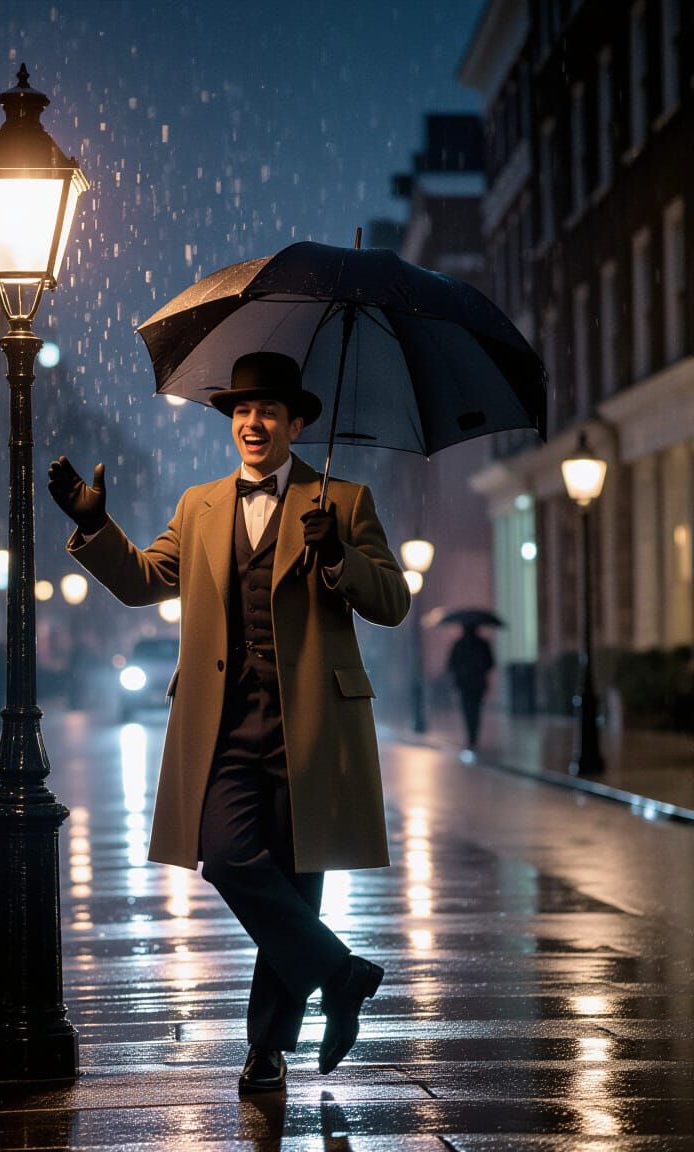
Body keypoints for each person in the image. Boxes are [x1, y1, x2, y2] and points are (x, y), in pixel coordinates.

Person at [49, 352, 411, 1093]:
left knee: (293, 883)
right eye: (243, 411)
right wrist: (95, 525)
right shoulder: (200, 505)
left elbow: (392, 599)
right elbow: (145, 580)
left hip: (311, 725)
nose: (254, 422)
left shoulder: (341, 499)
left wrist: (339, 556)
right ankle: (341, 975)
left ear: (296, 423)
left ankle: (267, 1049)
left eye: (269, 411)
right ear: (232, 423)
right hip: (225, 724)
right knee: (228, 855)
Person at [446, 624, 494, 751]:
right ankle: (473, 734)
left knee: (468, 710)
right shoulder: (482, 644)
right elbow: (490, 663)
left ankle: (471, 735)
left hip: (465, 684)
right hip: (477, 683)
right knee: (475, 709)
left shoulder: (459, 645)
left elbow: (451, 665)